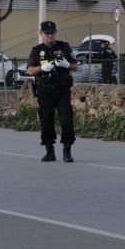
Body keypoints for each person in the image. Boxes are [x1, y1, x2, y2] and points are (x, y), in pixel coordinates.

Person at [27, 20, 78, 162]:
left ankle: (67, 151)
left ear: (55, 33)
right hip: (45, 91)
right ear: (41, 34)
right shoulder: (37, 50)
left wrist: (67, 64)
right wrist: (42, 68)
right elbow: (30, 69)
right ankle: (50, 151)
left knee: (67, 120)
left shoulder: (64, 47)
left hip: (62, 90)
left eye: (52, 33)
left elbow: (75, 66)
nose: (50, 36)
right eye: (46, 34)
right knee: (46, 121)